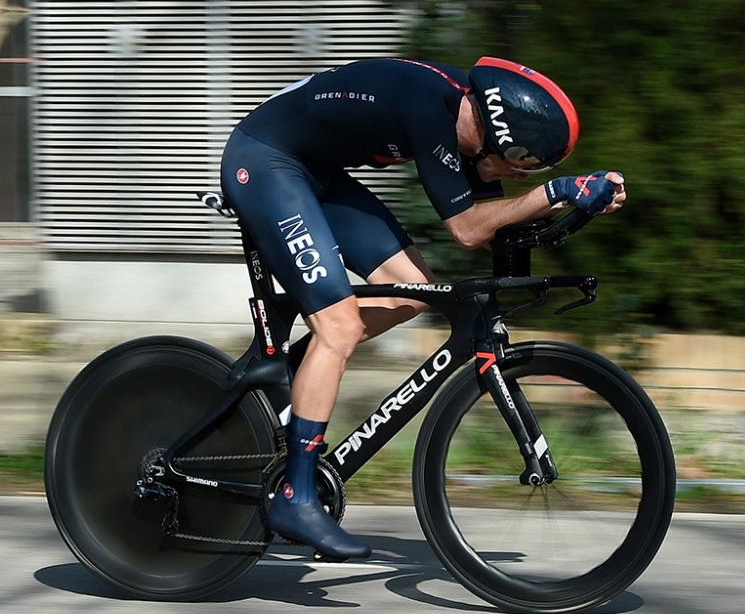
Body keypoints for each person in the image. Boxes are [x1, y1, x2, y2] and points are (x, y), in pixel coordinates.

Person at [219, 56, 627, 559]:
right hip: (266, 160)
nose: (514, 175)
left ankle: (293, 370)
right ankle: (295, 495)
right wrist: (554, 192)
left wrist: (577, 200)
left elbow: (490, 226)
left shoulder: (468, 120)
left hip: (315, 173)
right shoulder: (430, 109)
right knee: (340, 328)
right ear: (503, 142)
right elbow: (467, 229)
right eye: (521, 164)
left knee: (410, 291)